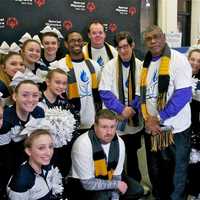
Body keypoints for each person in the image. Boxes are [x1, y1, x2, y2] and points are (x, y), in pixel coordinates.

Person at [140, 25, 192, 200]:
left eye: (156, 36)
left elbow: (184, 94)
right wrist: (144, 117)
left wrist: (159, 117)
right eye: (149, 38)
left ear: (163, 37)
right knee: (156, 173)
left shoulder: (178, 60)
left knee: (176, 175)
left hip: (175, 131)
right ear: (145, 42)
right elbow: (144, 94)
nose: (153, 41)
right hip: (152, 130)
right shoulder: (145, 64)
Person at [67, 109, 144, 200]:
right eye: (104, 127)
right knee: (103, 196)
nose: (109, 132)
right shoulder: (83, 144)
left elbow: (116, 175)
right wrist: (116, 185)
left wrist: (115, 197)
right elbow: (87, 184)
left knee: (137, 190)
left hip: (109, 176)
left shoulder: (119, 142)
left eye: (112, 127)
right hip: (82, 183)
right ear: (95, 126)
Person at [99, 31, 143, 183]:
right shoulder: (110, 66)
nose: (123, 51)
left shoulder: (141, 66)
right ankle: (115, 186)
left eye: (126, 46)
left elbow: (142, 90)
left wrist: (131, 108)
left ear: (132, 46)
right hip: (116, 120)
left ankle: (135, 185)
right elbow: (104, 91)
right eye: (119, 48)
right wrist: (121, 109)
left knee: (132, 155)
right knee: (115, 155)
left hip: (134, 120)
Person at [38, 68, 80, 177]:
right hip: (43, 151)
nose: (61, 86)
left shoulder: (66, 103)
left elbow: (75, 126)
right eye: (57, 82)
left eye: (64, 83)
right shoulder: (37, 101)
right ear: (47, 82)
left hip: (63, 151)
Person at [7, 129, 63, 200]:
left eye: (50, 146)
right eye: (41, 148)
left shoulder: (46, 164)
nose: (49, 153)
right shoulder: (21, 181)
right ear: (28, 151)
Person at [63, 31, 102, 133]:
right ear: (66, 44)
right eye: (72, 41)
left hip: (93, 122)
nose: (76, 43)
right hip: (70, 124)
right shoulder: (60, 66)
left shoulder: (94, 65)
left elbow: (100, 92)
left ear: (83, 43)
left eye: (79, 40)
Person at [186, 46, 200, 199]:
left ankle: (194, 192)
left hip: (196, 127)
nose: (195, 63)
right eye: (192, 59)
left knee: (196, 160)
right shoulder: (179, 76)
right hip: (181, 127)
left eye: (199, 61)